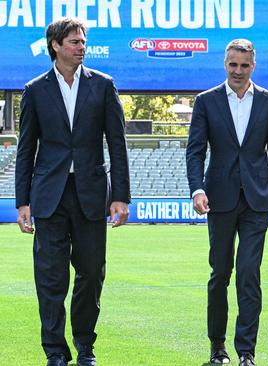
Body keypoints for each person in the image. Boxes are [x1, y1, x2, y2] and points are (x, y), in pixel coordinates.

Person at [14, 17, 130, 366]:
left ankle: (85, 346)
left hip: (92, 193)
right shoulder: (34, 90)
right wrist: (23, 202)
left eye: (83, 41)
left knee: (92, 273)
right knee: (50, 278)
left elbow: (118, 144)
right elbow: (25, 148)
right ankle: (55, 351)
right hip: (49, 195)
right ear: (56, 46)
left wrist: (121, 196)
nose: (81, 47)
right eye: (74, 42)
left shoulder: (104, 85)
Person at [185, 38, 268, 366]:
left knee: (248, 272)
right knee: (220, 273)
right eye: (233, 65)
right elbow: (195, 151)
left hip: (258, 199)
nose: (238, 71)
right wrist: (197, 190)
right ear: (225, 64)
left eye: (244, 65)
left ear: (253, 66)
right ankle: (217, 346)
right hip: (219, 199)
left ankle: (246, 351)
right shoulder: (206, 101)